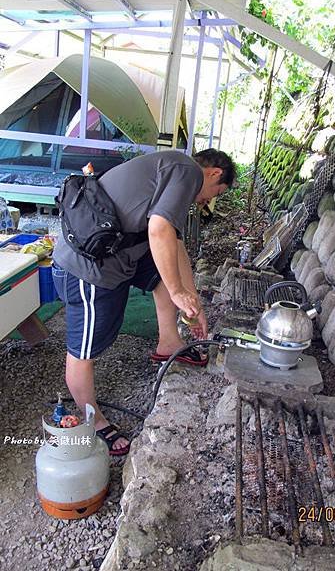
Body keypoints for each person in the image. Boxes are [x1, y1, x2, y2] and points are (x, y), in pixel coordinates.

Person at [52, 148, 236, 455]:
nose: (209, 201)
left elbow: (175, 247)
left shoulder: (174, 167)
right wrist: (179, 293)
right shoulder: (188, 171)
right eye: (218, 192)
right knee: (84, 350)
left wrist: (192, 300)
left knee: (164, 274)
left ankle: (168, 343)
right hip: (86, 267)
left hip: (116, 255)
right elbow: (159, 229)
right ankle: (92, 421)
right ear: (215, 174)